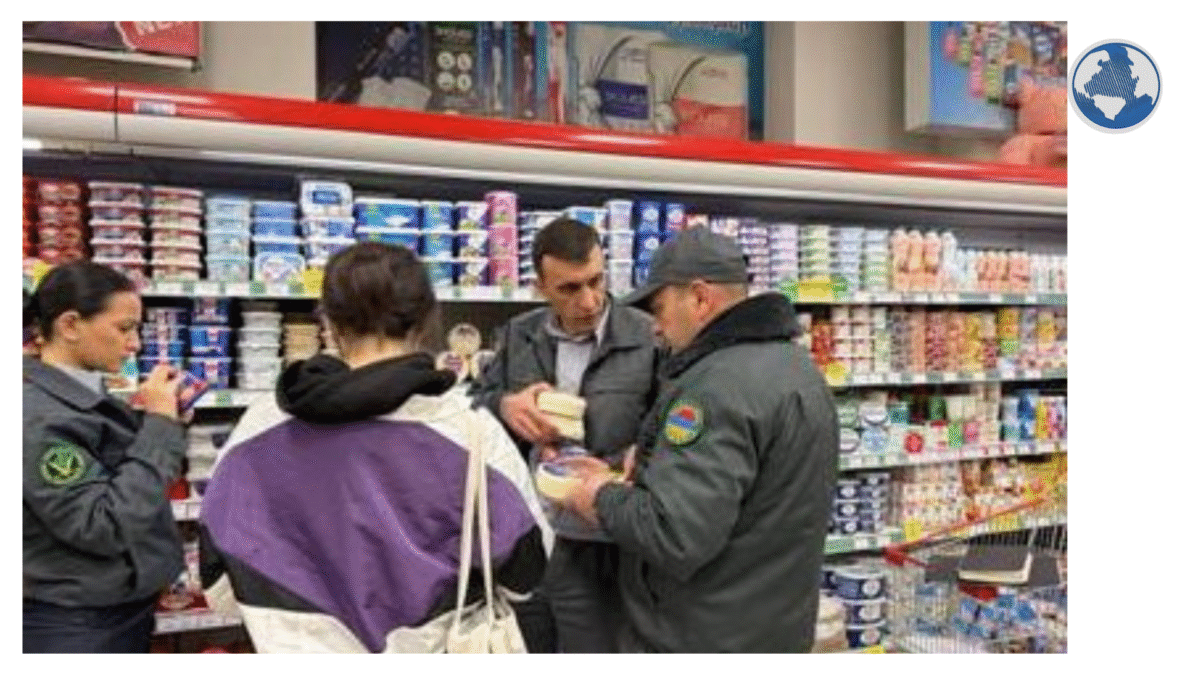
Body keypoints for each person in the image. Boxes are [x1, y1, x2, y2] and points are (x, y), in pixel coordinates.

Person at [198, 242, 549, 653]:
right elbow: (526, 574)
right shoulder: (470, 430)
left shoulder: (258, 429)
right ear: (427, 320)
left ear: (328, 320)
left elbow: (219, 587)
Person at [557, 227, 839, 653]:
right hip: (773, 629)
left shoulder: (713, 387)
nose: (656, 327)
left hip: (700, 634)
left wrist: (597, 495)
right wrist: (646, 463)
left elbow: (674, 534)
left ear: (700, 298)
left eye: (659, 308)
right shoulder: (798, 367)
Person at [469, 216, 660, 653]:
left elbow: (671, 421)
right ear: (540, 288)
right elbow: (473, 402)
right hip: (528, 533)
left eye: (595, 281)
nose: (589, 301)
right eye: (569, 289)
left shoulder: (647, 335)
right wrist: (504, 404)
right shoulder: (521, 333)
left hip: (606, 540)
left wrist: (634, 457)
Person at [23, 261, 189, 653]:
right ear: (70, 325)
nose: (135, 345)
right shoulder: (38, 416)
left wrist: (153, 420)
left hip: (108, 606)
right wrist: (160, 426)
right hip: (73, 622)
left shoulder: (75, 392)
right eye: (124, 328)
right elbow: (103, 525)